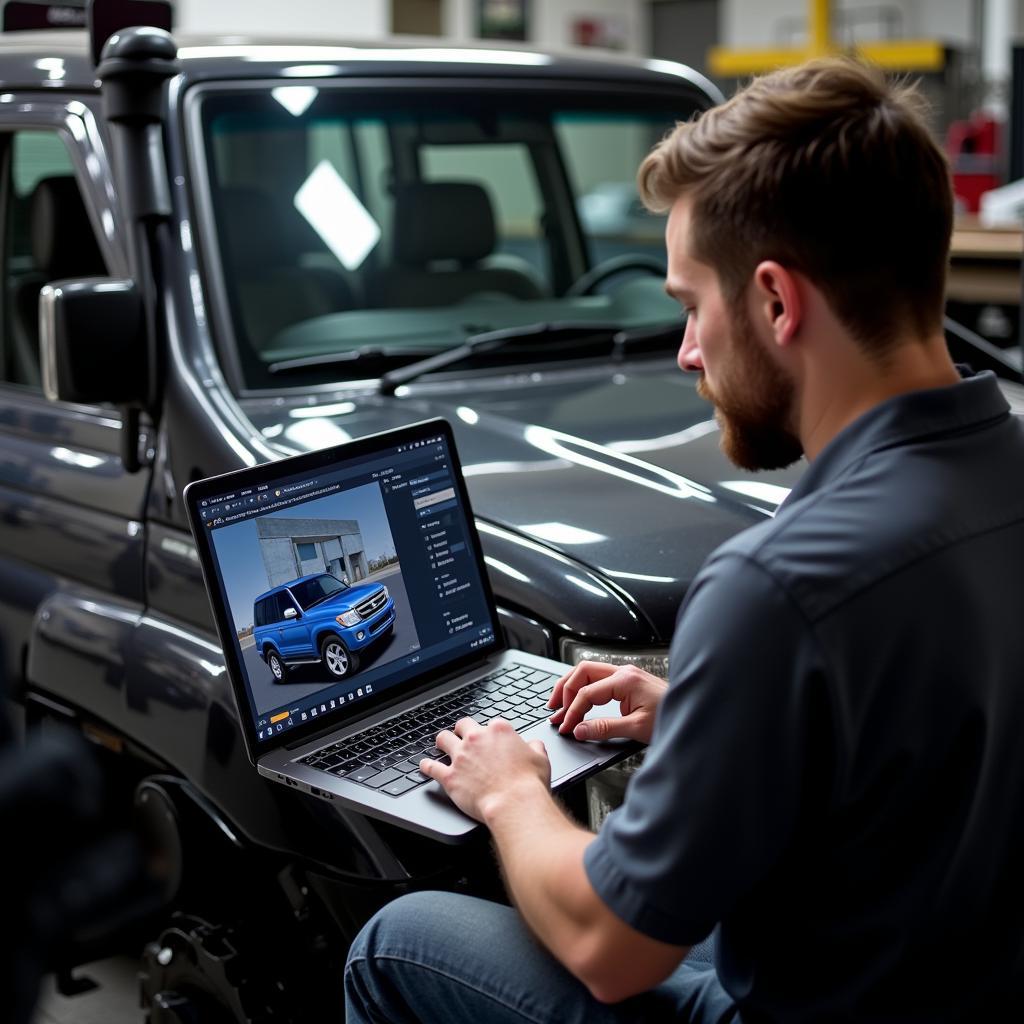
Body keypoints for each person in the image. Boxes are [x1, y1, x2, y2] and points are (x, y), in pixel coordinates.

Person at [344, 56, 1024, 1023]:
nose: (687, 352)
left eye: (690, 306)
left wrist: (511, 792)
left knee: (398, 939)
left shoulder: (779, 586)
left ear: (777, 303)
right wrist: (711, 713)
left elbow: (608, 949)